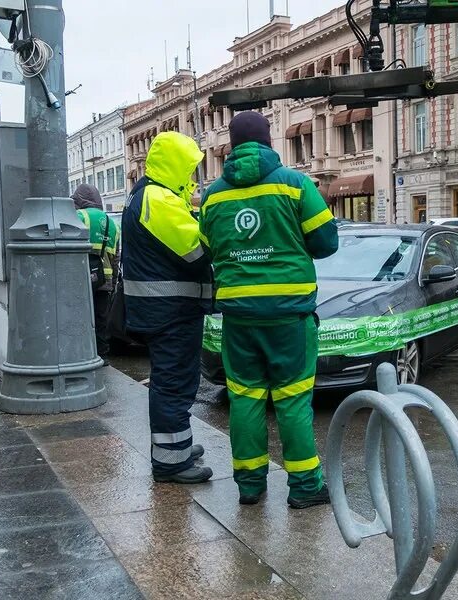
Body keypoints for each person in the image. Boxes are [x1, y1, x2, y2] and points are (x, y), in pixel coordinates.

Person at [199, 111, 338, 508]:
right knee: (292, 399)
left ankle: (249, 486)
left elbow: (209, 248)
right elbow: (327, 242)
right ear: (268, 142)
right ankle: (305, 488)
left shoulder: (213, 195)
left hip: (239, 317)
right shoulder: (295, 185)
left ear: (231, 145)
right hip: (288, 317)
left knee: (244, 398)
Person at [121, 131, 213, 484]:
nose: (191, 179)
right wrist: (214, 221)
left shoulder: (147, 196)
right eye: (188, 169)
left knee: (172, 381)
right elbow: (196, 250)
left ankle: (178, 446)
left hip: (162, 310)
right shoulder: (158, 199)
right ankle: (171, 463)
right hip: (170, 311)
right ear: (173, 165)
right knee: (174, 385)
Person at [72, 183, 120, 361]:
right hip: (104, 280)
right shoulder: (112, 223)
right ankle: (102, 355)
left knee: (81, 318)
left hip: (81, 279)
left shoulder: (78, 216)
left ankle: (83, 355)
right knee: (101, 319)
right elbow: (115, 258)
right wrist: (113, 283)